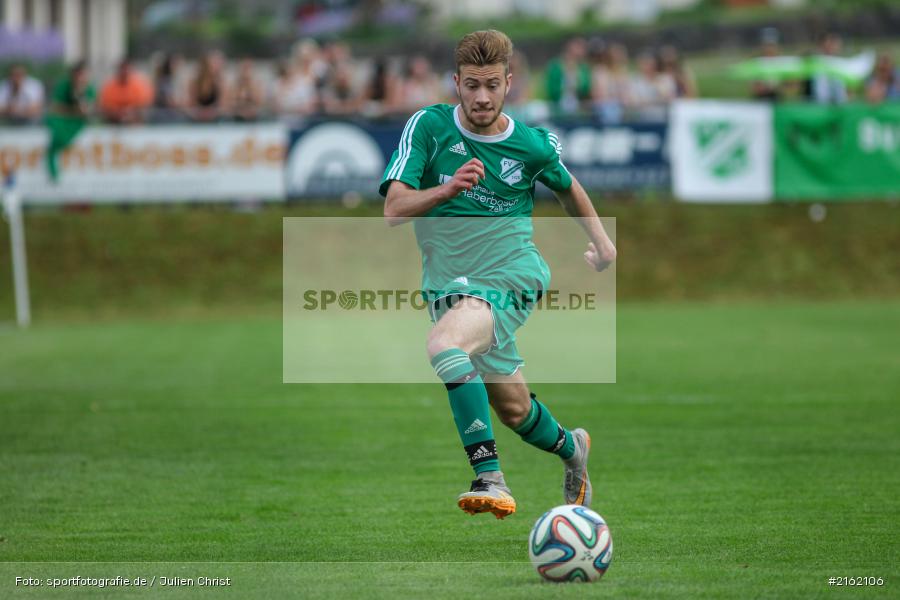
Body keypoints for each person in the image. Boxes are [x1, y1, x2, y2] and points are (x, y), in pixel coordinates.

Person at [379, 29, 616, 519]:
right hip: (450, 286)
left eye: (491, 84)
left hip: (512, 274)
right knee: (514, 410)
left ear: (509, 83)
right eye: (471, 85)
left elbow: (567, 187)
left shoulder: (529, 144)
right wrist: (446, 190)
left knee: (444, 346)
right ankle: (573, 449)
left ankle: (489, 476)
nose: (481, 97)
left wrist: (601, 240)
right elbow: (394, 208)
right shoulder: (428, 127)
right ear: (456, 84)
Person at [545, 37, 591, 116]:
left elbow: (586, 88)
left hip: (579, 103)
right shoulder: (556, 66)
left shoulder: (583, 68)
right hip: (559, 103)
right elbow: (551, 88)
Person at [99, 59, 154, 124]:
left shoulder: (139, 86)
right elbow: (105, 108)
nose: (124, 72)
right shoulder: (109, 87)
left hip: (135, 123)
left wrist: (132, 112)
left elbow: (144, 106)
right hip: (113, 123)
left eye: (126, 70)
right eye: (122, 70)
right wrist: (118, 113)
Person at [188, 51, 226, 122]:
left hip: (214, 116)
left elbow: (223, 103)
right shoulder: (195, 82)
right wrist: (201, 111)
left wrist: (211, 111)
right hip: (198, 116)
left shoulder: (220, 82)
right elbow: (191, 102)